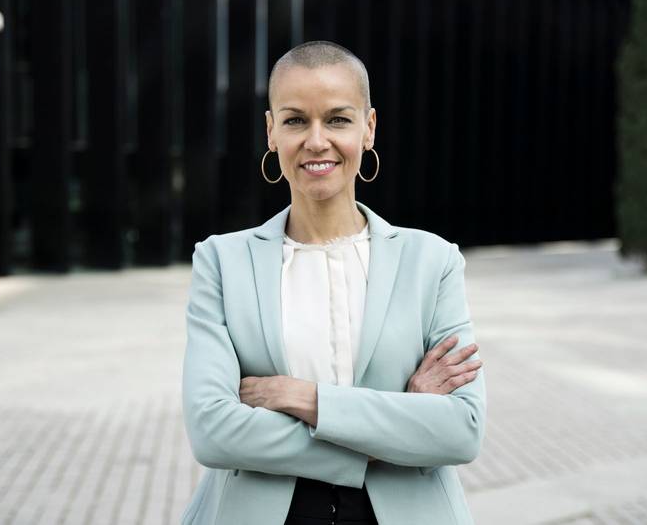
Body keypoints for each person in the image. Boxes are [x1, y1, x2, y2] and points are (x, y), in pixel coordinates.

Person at [181, 40, 486, 525]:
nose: (316, 141)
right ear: (271, 131)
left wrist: (304, 398)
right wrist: (397, 425)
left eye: (338, 119)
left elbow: (461, 431)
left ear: (369, 128)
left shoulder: (433, 260)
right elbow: (212, 431)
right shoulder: (221, 261)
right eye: (296, 120)